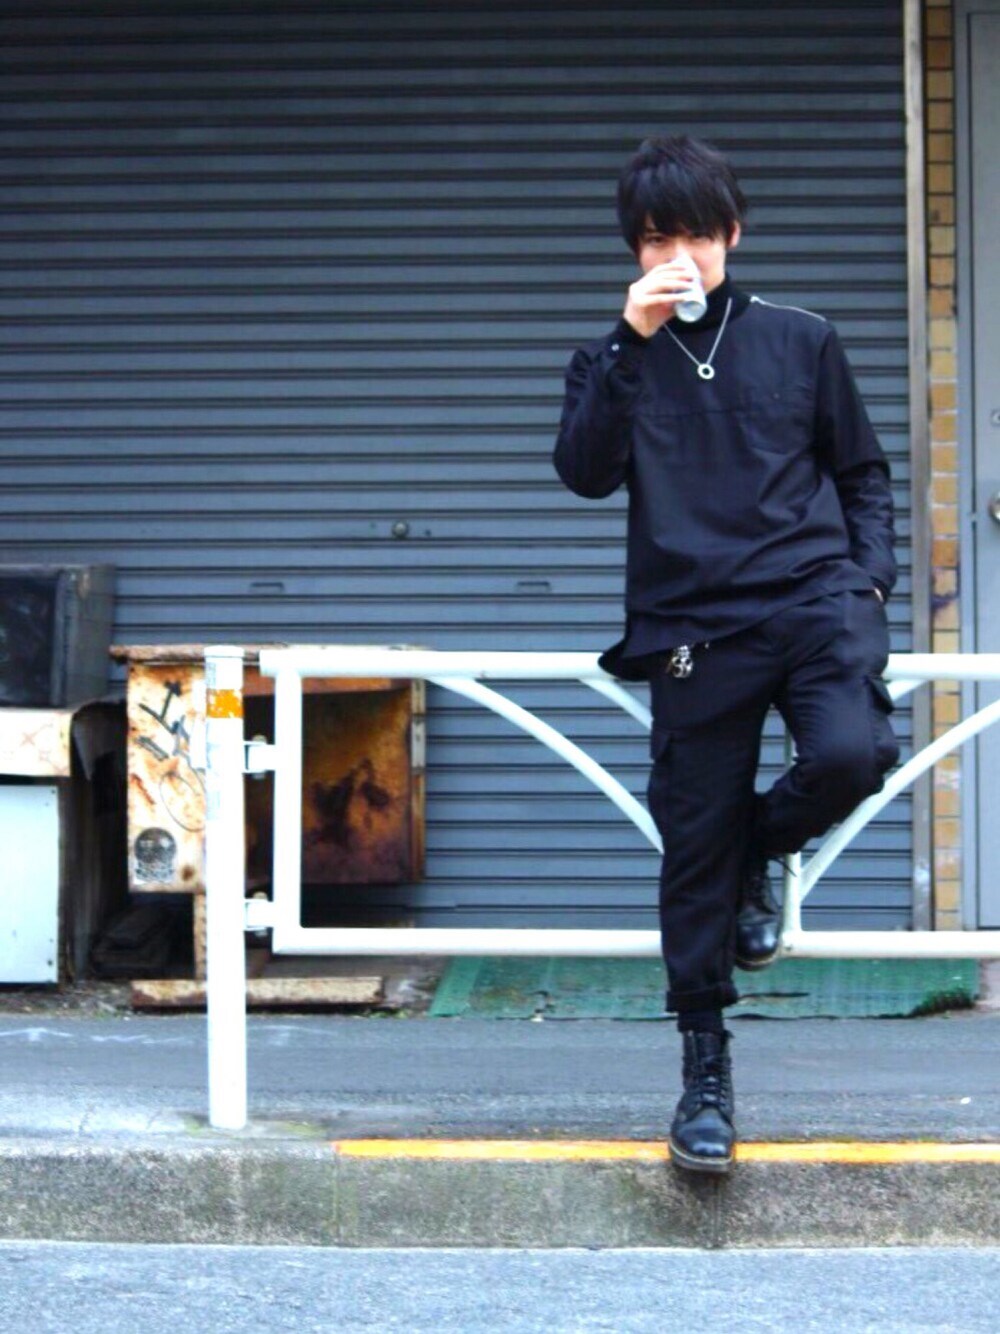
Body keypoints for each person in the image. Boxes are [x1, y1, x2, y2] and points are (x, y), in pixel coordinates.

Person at [553, 135, 899, 1175]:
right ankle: (704, 1071)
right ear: (634, 249)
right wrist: (631, 337)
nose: (680, 257)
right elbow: (583, 472)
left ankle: (757, 850)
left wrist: (868, 582)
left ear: (732, 235)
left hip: (812, 601)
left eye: (697, 235)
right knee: (695, 846)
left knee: (851, 755)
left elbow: (862, 472)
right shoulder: (612, 360)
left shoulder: (801, 338)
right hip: (690, 624)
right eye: (658, 238)